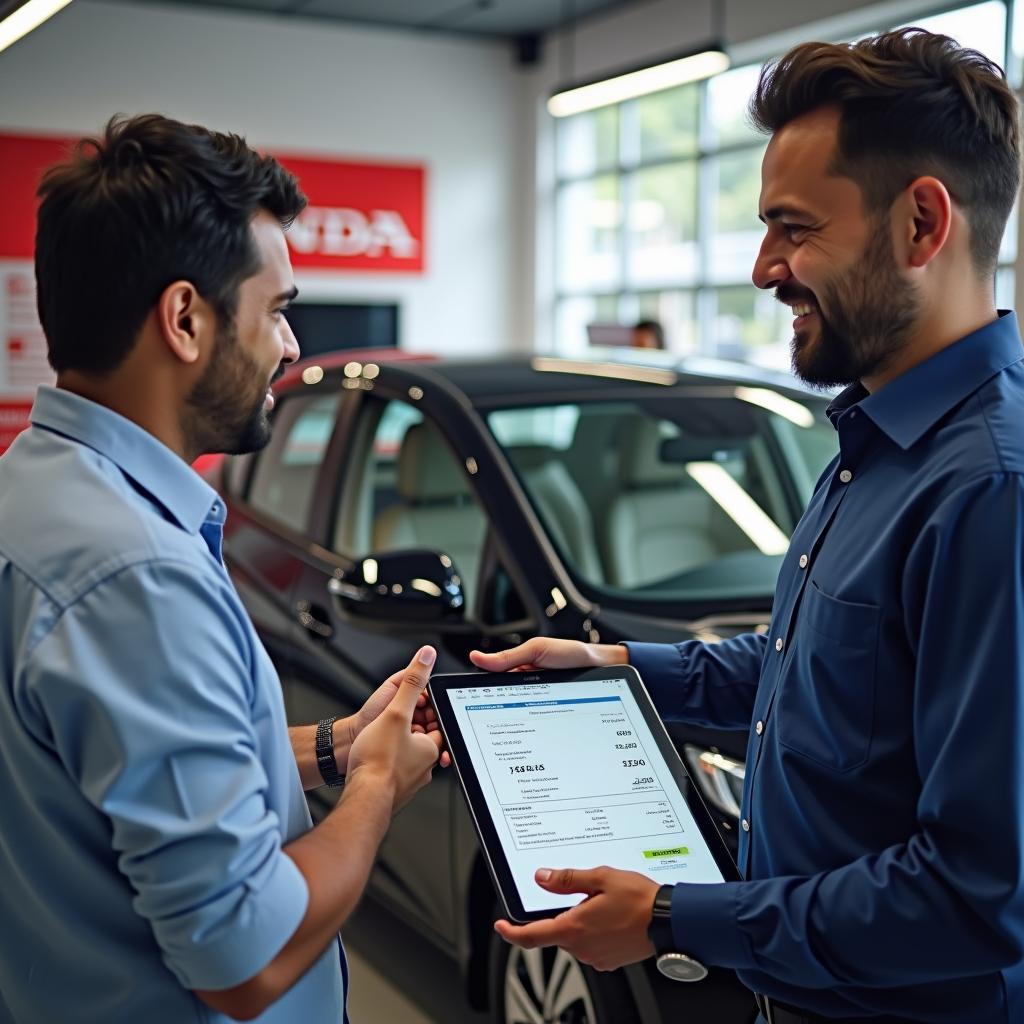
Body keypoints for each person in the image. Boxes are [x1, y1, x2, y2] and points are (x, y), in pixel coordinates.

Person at [472, 28, 1024, 1024]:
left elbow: (978, 893)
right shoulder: (875, 440)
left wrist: (679, 918)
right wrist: (619, 670)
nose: (765, 267)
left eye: (792, 227)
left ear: (920, 224)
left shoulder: (989, 492)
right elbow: (802, 671)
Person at [0, 114, 446, 1023]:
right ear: (186, 319)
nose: (289, 346)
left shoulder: (33, 494)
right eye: (277, 310)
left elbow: (129, 777)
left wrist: (333, 751)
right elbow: (245, 954)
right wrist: (376, 788)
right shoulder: (137, 577)